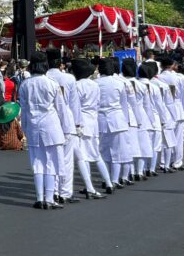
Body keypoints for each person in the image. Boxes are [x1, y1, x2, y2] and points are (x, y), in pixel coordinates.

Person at [19, 53, 67, 209]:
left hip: (33, 126)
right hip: (51, 126)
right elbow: (61, 109)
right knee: (51, 162)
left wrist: (24, 129)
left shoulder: (25, 85)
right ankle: (50, 198)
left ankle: (39, 198)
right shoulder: (52, 84)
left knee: (37, 163)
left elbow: (24, 110)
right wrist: (66, 129)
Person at [71, 58, 113, 197]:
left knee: (82, 156)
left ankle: (89, 186)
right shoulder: (95, 84)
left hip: (82, 120)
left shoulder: (77, 85)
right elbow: (98, 103)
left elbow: (75, 106)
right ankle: (108, 182)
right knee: (95, 154)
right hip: (93, 120)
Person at [45, 50, 79, 204]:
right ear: (61, 63)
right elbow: (74, 103)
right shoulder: (69, 78)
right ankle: (65, 192)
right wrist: (77, 123)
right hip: (66, 120)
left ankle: (53, 191)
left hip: (48, 121)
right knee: (66, 159)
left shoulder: (43, 78)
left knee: (50, 158)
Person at [97, 56, 133, 188]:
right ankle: (114, 179)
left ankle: (106, 179)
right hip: (117, 119)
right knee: (117, 151)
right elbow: (124, 104)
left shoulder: (95, 83)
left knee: (103, 151)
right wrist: (126, 120)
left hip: (100, 119)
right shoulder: (119, 83)